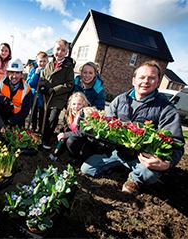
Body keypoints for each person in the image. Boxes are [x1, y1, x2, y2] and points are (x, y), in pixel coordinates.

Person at [80, 61, 185, 194]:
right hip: (117, 152)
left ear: (158, 82)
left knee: (150, 174)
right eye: (142, 77)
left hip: (142, 158)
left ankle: (135, 179)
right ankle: (119, 166)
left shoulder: (166, 108)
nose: (146, 81)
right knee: (87, 169)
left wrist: (166, 164)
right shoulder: (120, 99)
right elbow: (106, 125)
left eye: (151, 78)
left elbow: (177, 142)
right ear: (134, 80)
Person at [39, 38, 75, 149]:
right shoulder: (49, 64)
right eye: (57, 49)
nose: (59, 52)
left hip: (58, 98)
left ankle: (46, 139)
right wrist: (42, 85)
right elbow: (43, 77)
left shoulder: (68, 67)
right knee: (43, 117)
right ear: (53, 50)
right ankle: (41, 136)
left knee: (52, 119)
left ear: (66, 52)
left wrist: (55, 90)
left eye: (63, 50)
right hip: (46, 97)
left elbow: (69, 84)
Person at [0, 58, 32, 127]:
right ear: (7, 73)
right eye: (11, 72)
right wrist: (2, 99)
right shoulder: (0, 80)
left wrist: (9, 122)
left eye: (17, 73)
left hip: (17, 118)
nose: (14, 76)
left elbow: (25, 111)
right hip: (1, 115)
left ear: (22, 75)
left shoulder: (27, 89)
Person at [26, 51, 48, 132]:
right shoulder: (33, 70)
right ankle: (33, 127)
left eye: (44, 61)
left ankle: (40, 128)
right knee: (34, 113)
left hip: (43, 97)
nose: (42, 63)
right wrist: (36, 74)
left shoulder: (48, 71)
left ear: (47, 61)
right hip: (34, 95)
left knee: (42, 114)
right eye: (40, 61)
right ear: (37, 61)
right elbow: (30, 83)